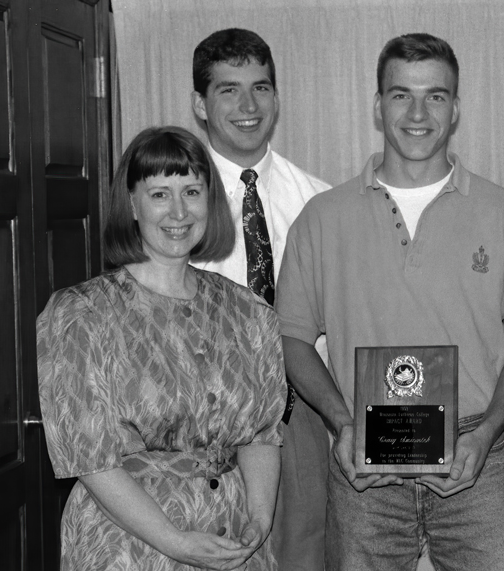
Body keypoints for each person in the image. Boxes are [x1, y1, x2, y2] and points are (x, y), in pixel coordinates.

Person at [276, 33, 504, 570]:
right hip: (362, 459)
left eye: (436, 96)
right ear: (378, 107)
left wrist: (491, 429)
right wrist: (343, 423)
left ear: (456, 109)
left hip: (476, 456)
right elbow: (293, 338)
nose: (418, 112)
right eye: (401, 95)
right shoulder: (322, 217)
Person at [37, 126, 286, 570]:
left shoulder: (250, 312)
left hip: (233, 542)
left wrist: (260, 519)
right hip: (129, 545)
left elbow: (261, 435)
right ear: (131, 203)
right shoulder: (82, 314)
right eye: (159, 194)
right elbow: (90, 460)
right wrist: (175, 542)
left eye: (191, 191)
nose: (178, 211)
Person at [189, 28, 332, 571]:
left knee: (304, 556)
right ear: (199, 105)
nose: (248, 106)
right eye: (228, 90)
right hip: (200, 426)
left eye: (261, 88)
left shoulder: (318, 201)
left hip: (299, 421)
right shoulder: (175, 206)